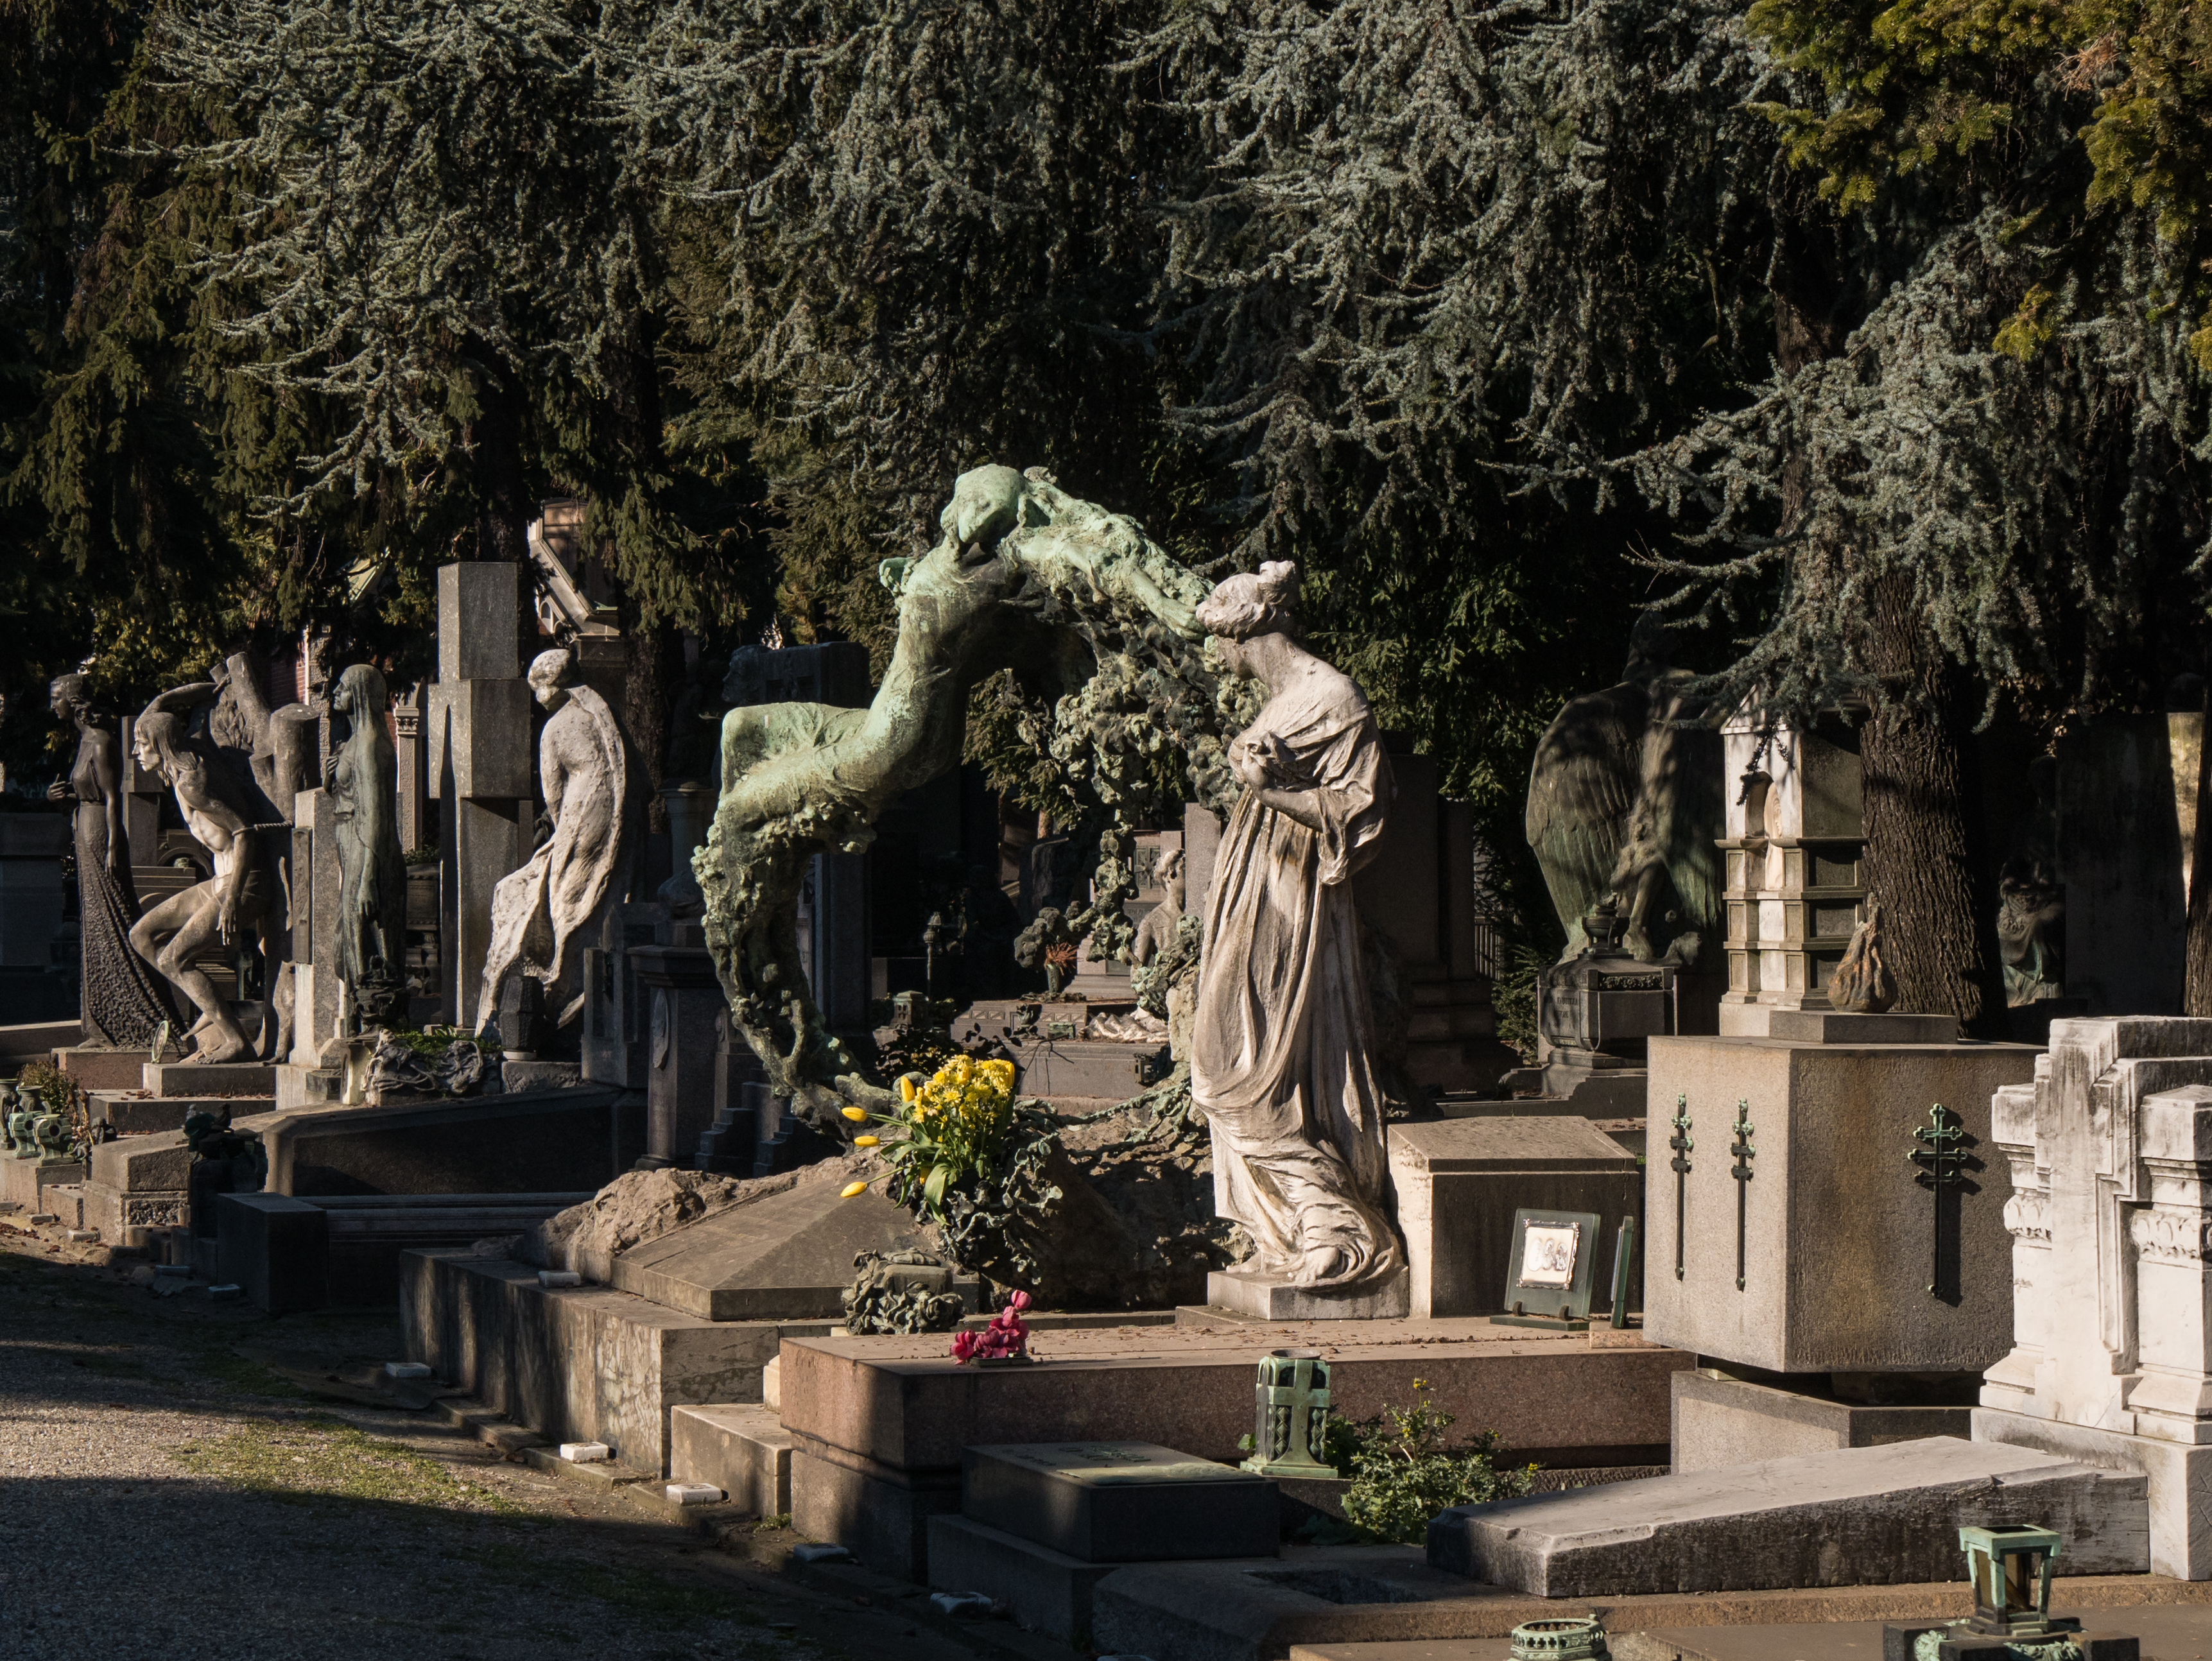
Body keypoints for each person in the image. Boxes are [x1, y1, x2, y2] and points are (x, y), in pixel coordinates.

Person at [1188, 560, 1402, 1290]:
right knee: (1228, 1055)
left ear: (1244, 633)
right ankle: (1277, 1227)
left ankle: (1333, 1228)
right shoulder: (1280, 701)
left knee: (1238, 1061)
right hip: (1253, 890)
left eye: (1219, 643)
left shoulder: (1332, 697)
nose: (1219, 659)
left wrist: (1273, 788)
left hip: (1291, 898)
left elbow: (1358, 811)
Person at [478, 650, 638, 1038]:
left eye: (538, 689)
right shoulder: (602, 716)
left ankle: (564, 981)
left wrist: (559, 829)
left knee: (565, 897)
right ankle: (588, 979)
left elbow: (552, 793)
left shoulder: (556, 727)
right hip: (615, 807)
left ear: (552, 686)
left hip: (583, 808)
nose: (537, 698)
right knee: (601, 890)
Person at [128, 688, 272, 1063]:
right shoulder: (184, 756)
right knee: (141, 935)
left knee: (172, 960)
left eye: (141, 744)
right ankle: (208, 1001)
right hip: (218, 882)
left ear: (161, 745)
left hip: (244, 883)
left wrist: (232, 900)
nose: (135, 752)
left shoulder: (193, 782)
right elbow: (155, 708)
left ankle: (235, 1040)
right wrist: (194, 690)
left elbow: (243, 832)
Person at [48, 675, 175, 1047]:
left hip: (100, 836)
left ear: (73, 701)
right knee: (94, 926)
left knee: (113, 921)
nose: (52, 705)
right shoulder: (84, 741)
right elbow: (87, 794)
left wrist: (114, 847)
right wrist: (63, 798)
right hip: (84, 829)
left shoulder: (101, 743)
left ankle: (142, 1019)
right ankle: (100, 1026)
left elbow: (112, 800)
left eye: (56, 698)